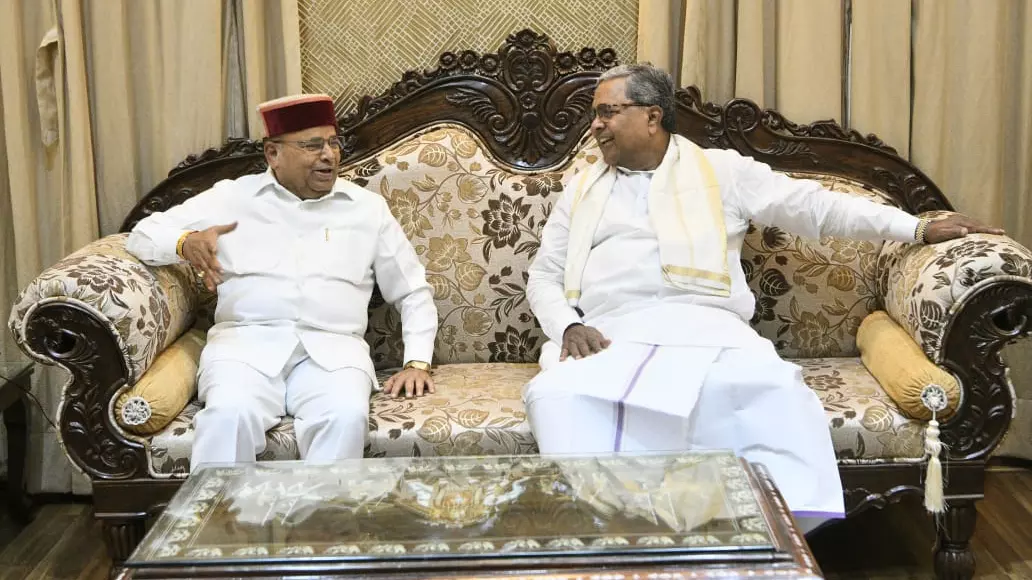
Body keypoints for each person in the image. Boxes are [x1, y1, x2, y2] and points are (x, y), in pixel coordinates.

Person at [523, 64, 1003, 533]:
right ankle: (618, 540)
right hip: (611, 334)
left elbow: (815, 208)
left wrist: (917, 227)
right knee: (557, 395)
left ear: (652, 116)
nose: (595, 125)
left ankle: (757, 542)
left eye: (608, 112)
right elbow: (544, 273)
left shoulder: (721, 171)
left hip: (706, 327)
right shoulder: (581, 188)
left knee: (769, 392)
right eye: (596, 113)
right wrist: (568, 325)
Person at [126, 94, 438, 471]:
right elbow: (141, 235)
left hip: (335, 353)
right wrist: (184, 242)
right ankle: (227, 527)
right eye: (312, 145)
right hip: (244, 347)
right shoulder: (232, 197)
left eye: (333, 142)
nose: (329, 155)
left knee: (344, 417)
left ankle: (320, 528)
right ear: (273, 153)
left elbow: (412, 289)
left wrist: (416, 361)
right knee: (229, 416)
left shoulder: (365, 209)